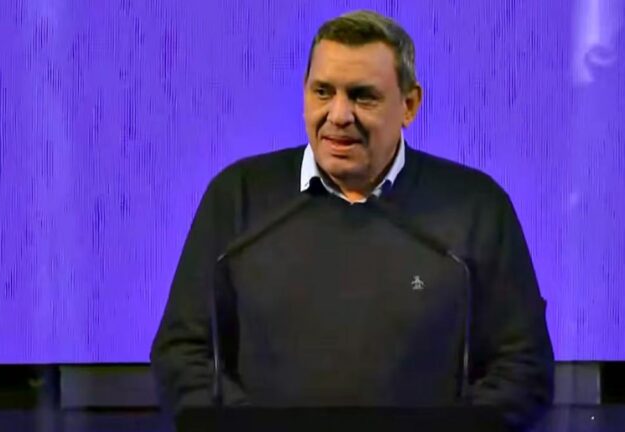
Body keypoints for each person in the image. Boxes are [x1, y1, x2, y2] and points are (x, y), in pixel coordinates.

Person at [151, 10, 554, 431]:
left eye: (362, 96)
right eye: (322, 92)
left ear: (409, 105)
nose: (339, 115)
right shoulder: (239, 196)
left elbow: (522, 368)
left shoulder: (475, 206)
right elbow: (184, 352)